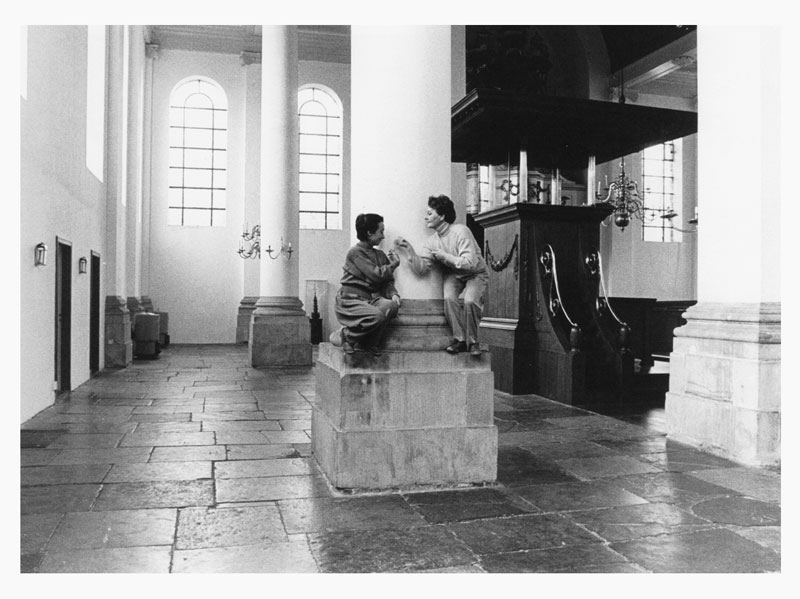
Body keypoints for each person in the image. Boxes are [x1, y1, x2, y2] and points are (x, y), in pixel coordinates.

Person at [394, 194, 489, 357]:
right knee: (449, 299)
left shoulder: (461, 231)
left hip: (476, 273)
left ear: (442, 216)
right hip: (454, 274)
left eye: (430, 213)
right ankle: (460, 340)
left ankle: (473, 342)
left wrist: (445, 257)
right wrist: (409, 249)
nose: (425, 217)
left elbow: (470, 263)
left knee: (470, 301)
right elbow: (422, 269)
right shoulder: (432, 242)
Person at [331, 213, 401, 356]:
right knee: (377, 316)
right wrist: (393, 265)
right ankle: (346, 336)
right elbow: (376, 274)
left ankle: (369, 343)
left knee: (391, 306)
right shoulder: (355, 252)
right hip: (349, 300)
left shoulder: (380, 255)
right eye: (381, 232)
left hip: (368, 300)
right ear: (369, 233)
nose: (383, 236)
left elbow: (386, 281)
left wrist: (394, 294)